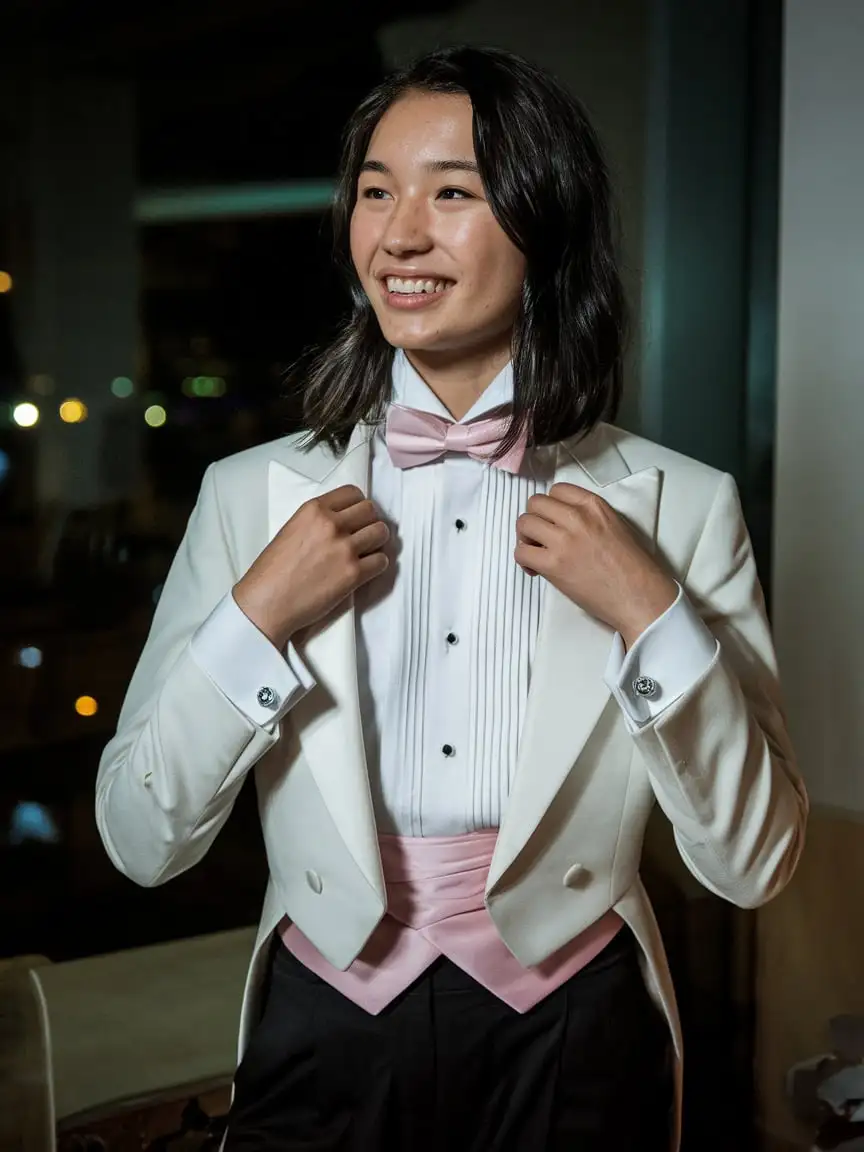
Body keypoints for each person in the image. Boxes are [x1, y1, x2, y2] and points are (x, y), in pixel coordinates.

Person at [96, 45, 807, 1152]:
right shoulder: (249, 498)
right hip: (322, 1020)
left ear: (544, 221)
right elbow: (140, 840)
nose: (400, 233)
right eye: (376, 190)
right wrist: (252, 623)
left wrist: (656, 618)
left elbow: (753, 864)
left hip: (576, 1024)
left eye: (453, 191)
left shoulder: (683, 507)